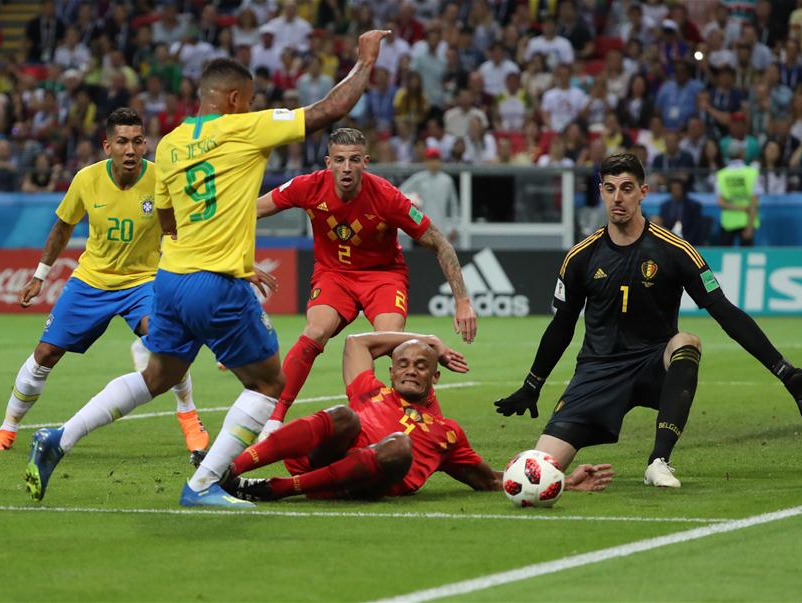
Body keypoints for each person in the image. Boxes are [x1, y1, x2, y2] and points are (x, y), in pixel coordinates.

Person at [24, 30, 393, 508]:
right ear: (236, 98)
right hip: (215, 284)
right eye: (251, 100)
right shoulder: (244, 127)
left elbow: (165, 218)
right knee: (267, 385)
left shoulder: (172, 144)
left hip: (169, 281)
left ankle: (59, 437)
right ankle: (203, 485)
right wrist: (363, 62)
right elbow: (328, 110)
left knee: (158, 375)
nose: (252, 107)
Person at [493, 153, 802, 488]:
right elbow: (562, 326)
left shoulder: (675, 250)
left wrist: (784, 371)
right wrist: (532, 385)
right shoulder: (581, 257)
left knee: (687, 342)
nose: (618, 197)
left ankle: (658, 461)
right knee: (536, 471)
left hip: (653, 364)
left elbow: (725, 312)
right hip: (597, 371)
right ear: (601, 191)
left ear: (643, 192)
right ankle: (566, 477)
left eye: (627, 188)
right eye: (610, 188)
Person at [0, 108, 208, 453]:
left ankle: (189, 418)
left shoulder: (163, 179)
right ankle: (7, 430)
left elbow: (179, 230)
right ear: (107, 146)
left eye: (136, 141)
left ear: (145, 144)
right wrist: (40, 276)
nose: (129, 150)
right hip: (92, 281)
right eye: (121, 142)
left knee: (165, 339)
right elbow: (62, 227)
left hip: (143, 281)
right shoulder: (87, 179)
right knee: (45, 353)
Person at [254, 127, 477, 440]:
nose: (347, 168)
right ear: (328, 161)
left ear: (366, 162)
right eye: (340, 160)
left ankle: (413, 422)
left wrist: (463, 300)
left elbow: (439, 242)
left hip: (383, 276)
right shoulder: (308, 186)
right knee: (315, 332)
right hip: (334, 274)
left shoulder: (386, 197)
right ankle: (273, 420)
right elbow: (250, 211)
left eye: (354, 160)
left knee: (396, 344)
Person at [214, 331, 614, 501]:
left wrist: (563, 483)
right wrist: (429, 341)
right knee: (343, 416)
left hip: (375, 478)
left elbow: (490, 480)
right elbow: (356, 342)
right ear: (390, 369)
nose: (409, 369)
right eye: (402, 363)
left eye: (421, 365)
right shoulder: (372, 390)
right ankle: (229, 469)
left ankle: (279, 489)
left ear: (435, 375)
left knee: (397, 447)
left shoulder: (447, 433)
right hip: (325, 461)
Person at [399, 146, 460, 242]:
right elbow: (400, 194)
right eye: (431, 159)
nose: (433, 163)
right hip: (419, 229)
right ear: (426, 161)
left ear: (440, 161)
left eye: (436, 159)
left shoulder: (447, 180)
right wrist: (414, 215)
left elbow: (454, 206)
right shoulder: (418, 179)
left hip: (440, 229)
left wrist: (454, 227)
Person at [716, 146, 761, 246]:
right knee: (747, 257)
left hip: (728, 222)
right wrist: (749, 228)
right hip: (747, 221)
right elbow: (754, 201)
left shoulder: (721, 175)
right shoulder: (752, 173)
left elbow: (720, 202)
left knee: (725, 256)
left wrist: (739, 208)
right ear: (742, 154)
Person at [653, 177, 706, 246]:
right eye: (673, 189)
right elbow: (663, 224)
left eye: (678, 189)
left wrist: (685, 242)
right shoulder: (665, 205)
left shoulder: (694, 206)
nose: (676, 191)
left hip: (689, 239)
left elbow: (695, 227)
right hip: (669, 238)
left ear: (683, 190)